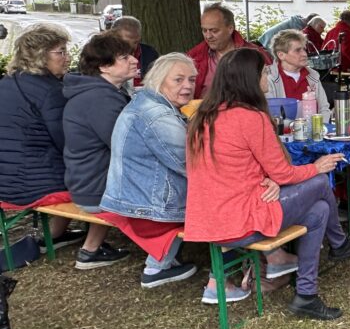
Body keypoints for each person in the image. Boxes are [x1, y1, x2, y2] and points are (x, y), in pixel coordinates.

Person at [185, 48, 350, 320]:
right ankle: (340, 244)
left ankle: (306, 295)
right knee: (320, 181)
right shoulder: (250, 117)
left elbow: (223, 167)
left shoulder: (202, 117)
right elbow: (284, 173)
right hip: (241, 220)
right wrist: (315, 167)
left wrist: (265, 179)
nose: (267, 77)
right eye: (263, 72)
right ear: (250, 79)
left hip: (210, 219)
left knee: (319, 210)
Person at [100, 54, 202, 288]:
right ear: (158, 80)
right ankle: (158, 268)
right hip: (148, 208)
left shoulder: (145, 102)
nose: (187, 86)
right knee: (227, 198)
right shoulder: (157, 115)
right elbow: (191, 166)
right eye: (178, 80)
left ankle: (159, 263)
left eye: (191, 79)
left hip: (132, 198)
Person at [0, 24, 83, 248]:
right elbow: (67, 142)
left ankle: (55, 235)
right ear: (39, 55)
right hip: (33, 186)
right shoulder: (50, 90)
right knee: (92, 175)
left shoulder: (7, 82)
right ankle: (81, 244)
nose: (66, 58)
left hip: (4, 180)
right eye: (60, 52)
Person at [62, 32, 137, 269]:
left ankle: (91, 249)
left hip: (84, 182)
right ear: (104, 67)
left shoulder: (97, 92)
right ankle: (162, 261)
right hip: (96, 190)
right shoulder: (100, 99)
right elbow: (128, 147)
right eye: (124, 58)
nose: (134, 60)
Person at [188, 3, 267, 99]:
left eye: (214, 31)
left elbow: (272, 90)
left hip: (246, 111)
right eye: (204, 30)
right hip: (205, 112)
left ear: (230, 29)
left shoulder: (256, 54)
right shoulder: (193, 56)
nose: (208, 36)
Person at [265, 30, 330, 114]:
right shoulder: (267, 77)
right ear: (281, 55)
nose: (304, 54)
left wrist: (321, 126)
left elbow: (324, 109)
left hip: (315, 126)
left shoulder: (313, 75)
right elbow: (270, 115)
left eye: (304, 49)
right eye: (298, 50)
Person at [110, 15, 160, 87]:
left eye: (136, 42)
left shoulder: (150, 53)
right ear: (113, 37)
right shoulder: (103, 54)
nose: (132, 46)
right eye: (126, 42)